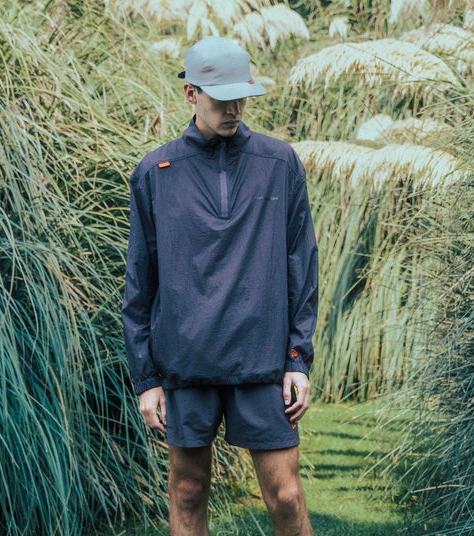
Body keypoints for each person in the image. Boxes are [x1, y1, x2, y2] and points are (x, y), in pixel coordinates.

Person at [122, 36, 318, 536]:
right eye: (221, 98)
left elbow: (301, 264)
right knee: (187, 491)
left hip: (263, 361)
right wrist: (146, 379)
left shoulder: (279, 163)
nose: (234, 109)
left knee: (287, 495)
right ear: (191, 93)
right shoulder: (154, 172)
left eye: (241, 97)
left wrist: (297, 359)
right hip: (185, 362)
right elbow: (140, 283)